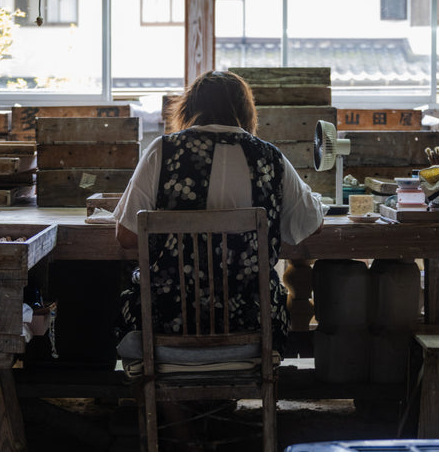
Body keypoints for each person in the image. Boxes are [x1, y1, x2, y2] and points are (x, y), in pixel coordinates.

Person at [113, 70, 324, 354]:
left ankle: (167, 392)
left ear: (189, 108)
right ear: (246, 111)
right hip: (252, 327)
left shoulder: (162, 151)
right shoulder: (270, 158)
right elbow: (312, 223)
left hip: (168, 323)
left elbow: (126, 236)